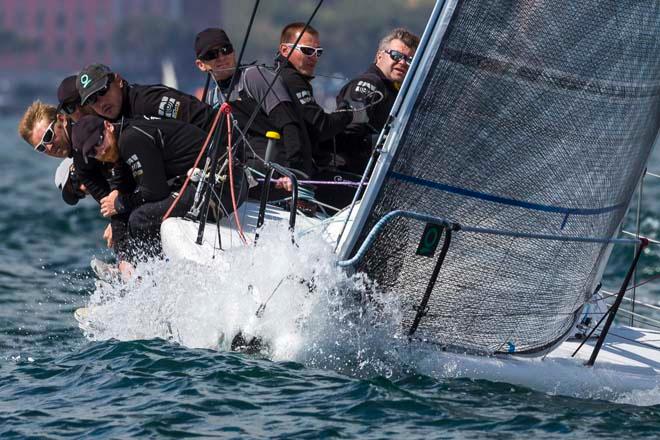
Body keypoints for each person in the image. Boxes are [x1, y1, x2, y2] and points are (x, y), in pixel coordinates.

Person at [71, 114, 237, 258]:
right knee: (136, 215)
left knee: (140, 218)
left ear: (108, 126)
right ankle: (133, 268)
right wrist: (122, 253)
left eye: (99, 141)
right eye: (93, 152)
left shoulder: (130, 140)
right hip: (210, 185)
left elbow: (155, 191)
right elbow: (124, 193)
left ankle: (151, 275)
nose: (101, 151)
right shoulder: (121, 144)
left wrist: (121, 203)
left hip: (225, 188)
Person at [193, 28, 314, 180]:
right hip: (246, 173)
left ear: (233, 51)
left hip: (279, 170)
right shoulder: (212, 98)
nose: (221, 57)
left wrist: (294, 173)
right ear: (201, 65)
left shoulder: (253, 76)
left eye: (225, 50)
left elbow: (290, 124)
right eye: (212, 54)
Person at [336, 28, 420, 174]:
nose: (402, 62)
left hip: (372, 173)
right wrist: (388, 143)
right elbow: (350, 131)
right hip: (349, 173)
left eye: (409, 60)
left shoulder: (396, 91)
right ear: (379, 56)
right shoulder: (369, 84)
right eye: (396, 55)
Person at [76, 64, 216, 132]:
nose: (101, 102)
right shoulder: (106, 127)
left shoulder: (148, 101)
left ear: (118, 80)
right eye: (92, 100)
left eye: (103, 91)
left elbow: (205, 118)